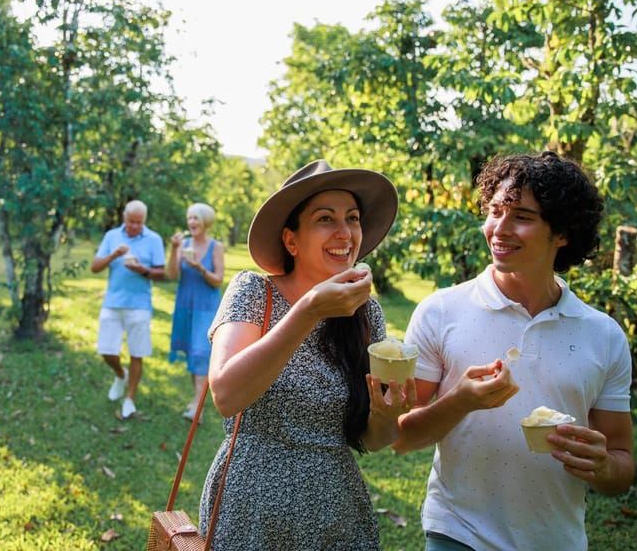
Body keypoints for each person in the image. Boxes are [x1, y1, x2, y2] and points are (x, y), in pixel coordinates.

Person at [393, 151, 635, 551]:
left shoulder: (603, 336)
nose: (498, 229)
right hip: (457, 533)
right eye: (494, 211)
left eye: (521, 217)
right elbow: (399, 437)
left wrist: (605, 466)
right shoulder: (441, 311)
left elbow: (622, 465)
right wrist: (460, 402)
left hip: (557, 540)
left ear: (562, 232)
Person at [198, 159, 415, 550]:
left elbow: (374, 438)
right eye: (325, 219)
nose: (345, 232)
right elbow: (226, 394)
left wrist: (386, 414)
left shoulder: (367, 314)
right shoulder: (253, 293)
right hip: (251, 508)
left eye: (352, 218)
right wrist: (309, 309)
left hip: (337, 511)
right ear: (291, 240)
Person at [90, 200, 166, 420]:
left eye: (139, 222)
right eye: (131, 221)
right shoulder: (112, 236)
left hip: (139, 304)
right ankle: (120, 375)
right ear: (124, 218)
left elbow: (161, 274)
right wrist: (114, 255)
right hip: (113, 301)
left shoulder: (154, 239)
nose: (134, 226)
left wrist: (142, 270)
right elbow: (94, 268)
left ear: (144, 220)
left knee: (137, 352)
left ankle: (130, 399)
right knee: (106, 349)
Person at [167, 202, 225, 421]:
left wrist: (199, 268)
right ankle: (197, 398)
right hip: (185, 306)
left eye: (196, 218)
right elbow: (171, 275)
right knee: (192, 353)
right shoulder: (183, 245)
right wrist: (174, 250)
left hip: (206, 308)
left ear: (205, 222)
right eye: (189, 218)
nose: (191, 222)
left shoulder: (215, 247)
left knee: (201, 353)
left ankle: (196, 406)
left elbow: (218, 280)